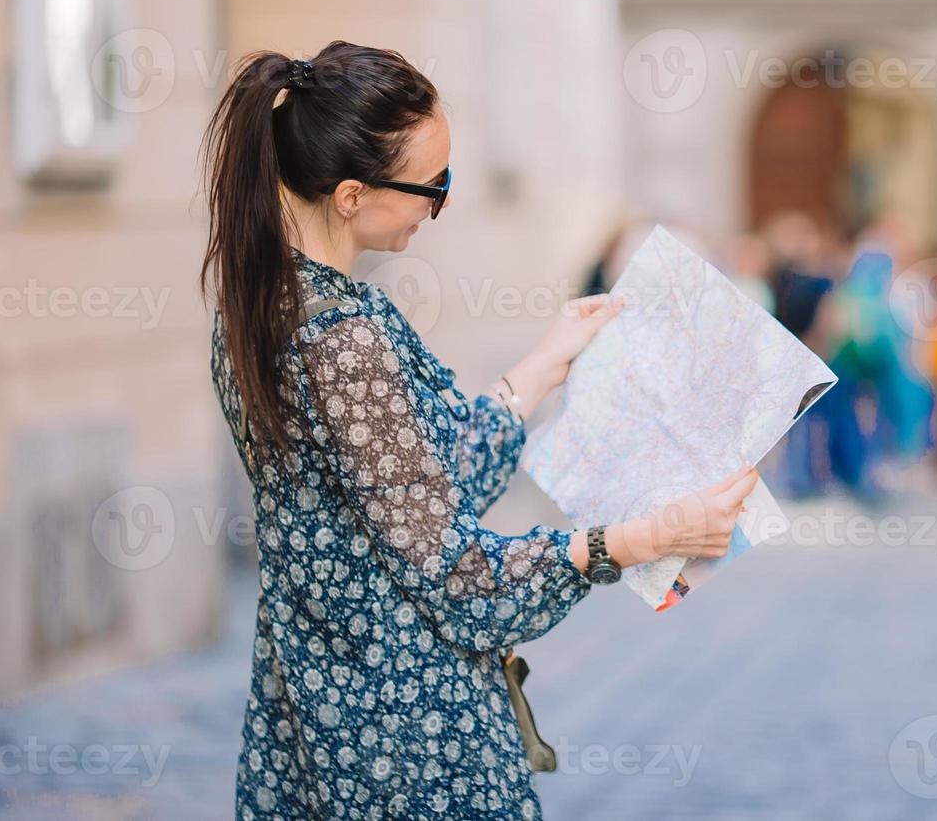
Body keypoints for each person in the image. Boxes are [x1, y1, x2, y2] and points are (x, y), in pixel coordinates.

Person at [199, 42, 759, 820]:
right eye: (433, 186)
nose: (441, 204)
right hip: (404, 733)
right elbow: (460, 582)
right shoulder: (343, 338)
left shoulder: (267, 303)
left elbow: (417, 489)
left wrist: (543, 365)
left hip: (327, 708)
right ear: (354, 194)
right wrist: (640, 537)